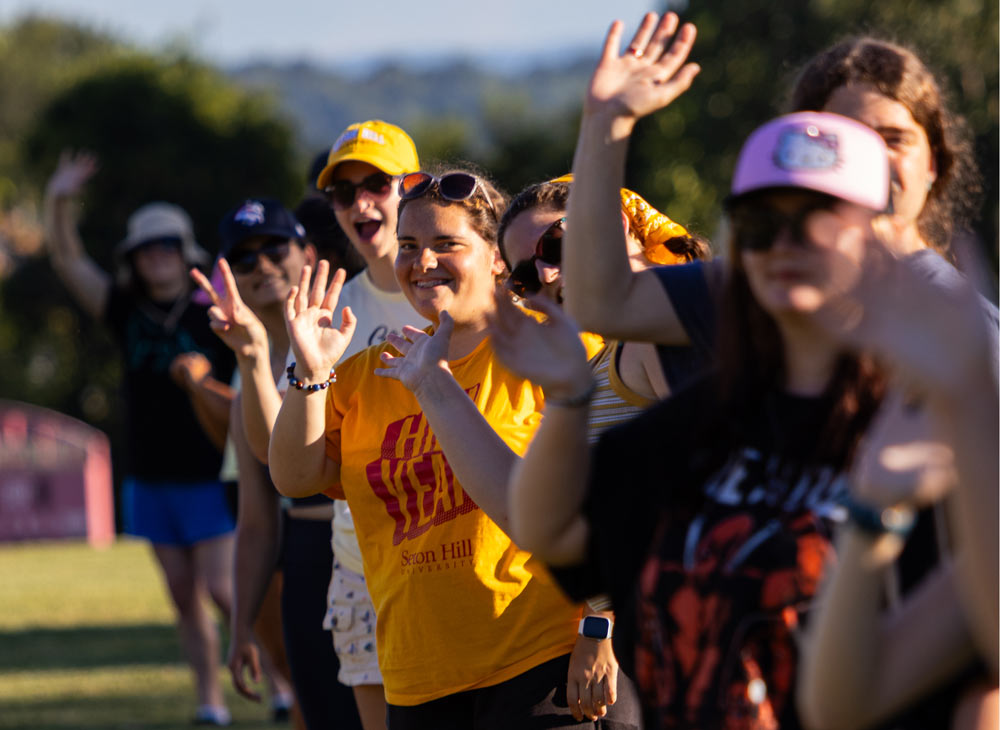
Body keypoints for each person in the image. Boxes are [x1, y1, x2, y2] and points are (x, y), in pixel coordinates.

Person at [496, 109, 897, 728]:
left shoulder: (921, 412)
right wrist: (567, 397)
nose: (785, 245)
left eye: (818, 220)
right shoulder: (667, 399)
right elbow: (555, 535)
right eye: (759, 223)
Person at [268, 167, 640, 728]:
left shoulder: (554, 346)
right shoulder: (370, 372)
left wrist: (598, 629)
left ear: (496, 256)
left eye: (447, 245)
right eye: (409, 245)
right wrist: (312, 372)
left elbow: (615, 498)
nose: (422, 263)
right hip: (418, 675)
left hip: (546, 660)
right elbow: (294, 479)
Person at [210, 121, 427, 730]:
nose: (360, 202)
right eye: (342, 192)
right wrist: (254, 355)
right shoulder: (331, 312)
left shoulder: (453, 292)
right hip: (357, 564)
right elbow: (282, 461)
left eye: (377, 184)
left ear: (411, 187)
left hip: (450, 556)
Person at [497, 175, 709, 721]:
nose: (545, 275)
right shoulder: (612, 351)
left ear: (613, 229)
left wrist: (599, 624)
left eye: (556, 247)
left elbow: (708, 486)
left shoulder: (652, 335)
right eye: (524, 276)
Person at [43, 151, 237, 726]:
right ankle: (211, 701)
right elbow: (67, 258)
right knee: (183, 597)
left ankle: (280, 681)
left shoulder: (214, 309)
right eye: (147, 249)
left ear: (185, 251)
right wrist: (58, 199)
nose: (157, 257)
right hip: (151, 474)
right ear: (135, 259)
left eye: (166, 246)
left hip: (209, 470)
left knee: (225, 592)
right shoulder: (122, 308)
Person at [195, 197, 361, 730]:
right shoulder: (249, 372)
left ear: (307, 253)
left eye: (274, 248)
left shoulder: (354, 333)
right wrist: (242, 626)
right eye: (244, 259)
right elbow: (260, 515)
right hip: (309, 559)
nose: (262, 265)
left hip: (379, 549)